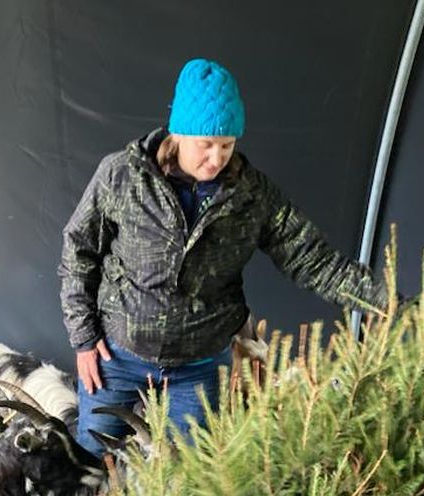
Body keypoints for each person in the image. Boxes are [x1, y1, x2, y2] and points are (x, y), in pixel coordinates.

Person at [58, 57, 393, 456]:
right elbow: (79, 251)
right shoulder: (122, 177)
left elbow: (313, 259)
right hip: (116, 356)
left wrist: (387, 302)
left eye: (227, 145)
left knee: (193, 481)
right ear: (179, 133)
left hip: (199, 367)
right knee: (90, 468)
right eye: (206, 145)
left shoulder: (252, 195)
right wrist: (83, 338)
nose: (217, 158)